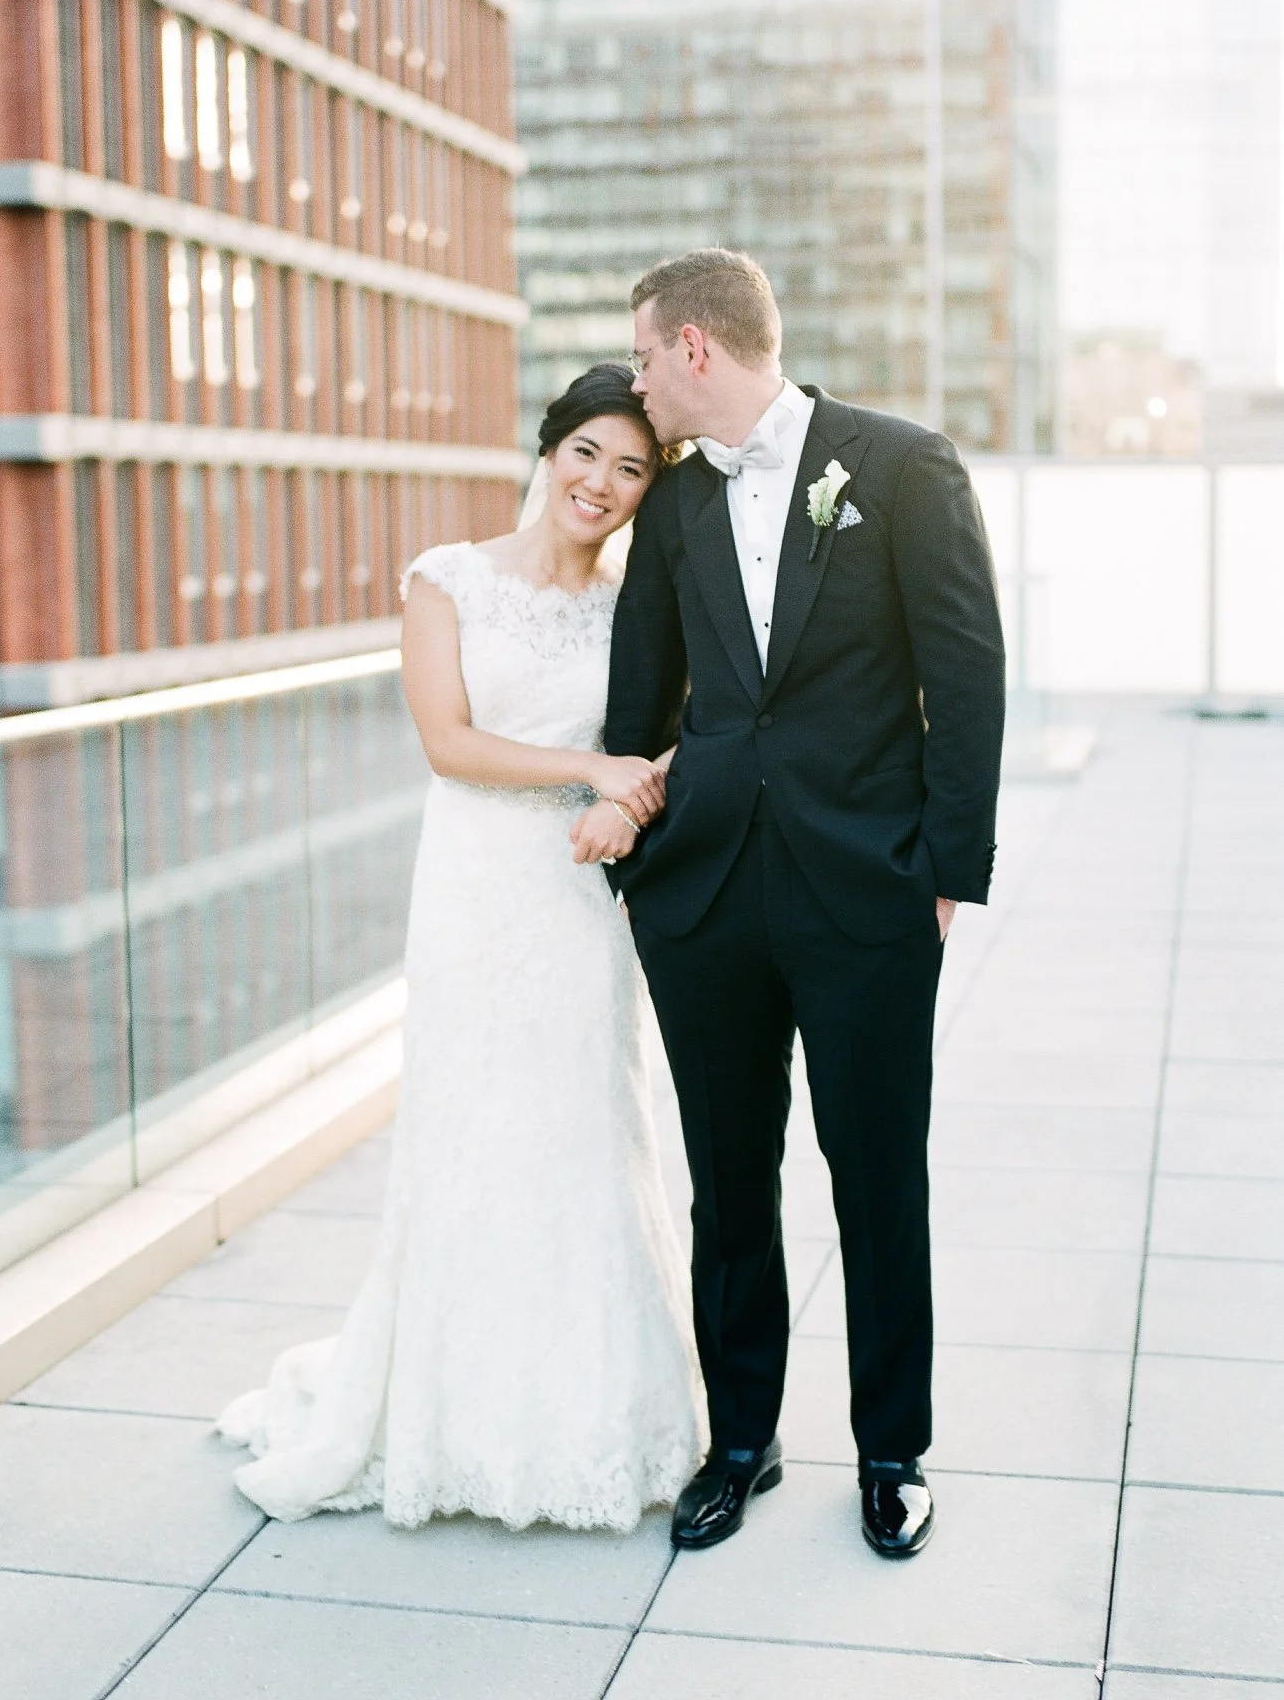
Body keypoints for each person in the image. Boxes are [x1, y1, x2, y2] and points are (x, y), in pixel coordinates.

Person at [217, 364, 705, 1531]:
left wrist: (625, 799)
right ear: (549, 450)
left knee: (588, 1132)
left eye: (631, 468)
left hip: (584, 898)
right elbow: (448, 741)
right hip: (480, 890)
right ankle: (455, 1417)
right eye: (587, 452)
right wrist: (591, 769)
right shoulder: (448, 582)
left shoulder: (641, 606)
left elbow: (686, 738)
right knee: (473, 1131)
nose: (602, 482)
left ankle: (592, 1416)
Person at [572, 249, 1005, 1557]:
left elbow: (965, 675)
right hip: (707, 901)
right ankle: (741, 1439)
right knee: (729, 1181)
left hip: (865, 898)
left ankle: (891, 1451)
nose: (636, 380)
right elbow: (640, 699)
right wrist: (644, 859)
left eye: (644, 356)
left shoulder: (900, 467)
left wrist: (941, 874)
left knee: (875, 1180)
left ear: (694, 349)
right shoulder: (678, 509)